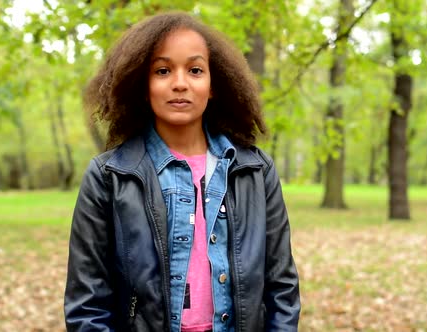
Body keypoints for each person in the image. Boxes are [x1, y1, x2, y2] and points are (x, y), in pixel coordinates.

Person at [64, 11, 300, 332]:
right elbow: (87, 303)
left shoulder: (255, 171)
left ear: (214, 84)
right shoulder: (108, 177)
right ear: (142, 85)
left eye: (195, 70)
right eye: (162, 71)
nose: (179, 83)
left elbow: (281, 288)